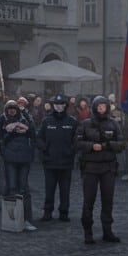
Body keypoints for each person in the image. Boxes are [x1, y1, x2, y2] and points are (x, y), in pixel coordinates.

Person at [76, 95, 125, 244]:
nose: (101, 109)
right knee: (88, 201)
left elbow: (122, 143)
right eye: (99, 107)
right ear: (95, 108)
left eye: (104, 106)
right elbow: (77, 142)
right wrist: (91, 146)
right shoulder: (85, 124)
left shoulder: (114, 124)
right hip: (90, 168)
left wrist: (106, 146)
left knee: (107, 200)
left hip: (108, 168)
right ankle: (88, 232)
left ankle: (107, 231)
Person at [0, 99, 38, 231]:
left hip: (24, 158)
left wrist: (25, 128)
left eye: (14, 108)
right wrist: (7, 137)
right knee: (12, 187)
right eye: (9, 108)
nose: (12, 111)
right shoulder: (2, 119)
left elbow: (33, 134)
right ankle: (12, 220)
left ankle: (27, 219)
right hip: (10, 158)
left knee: (23, 188)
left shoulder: (26, 118)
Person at [36, 94, 78, 223]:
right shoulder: (46, 121)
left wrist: (71, 151)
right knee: (49, 189)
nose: (59, 107)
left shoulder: (72, 121)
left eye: (61, 104)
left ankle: (64, 213)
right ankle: (47, 212)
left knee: (65, 190)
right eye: (56, 105)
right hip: (50, 162)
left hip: (66, 162)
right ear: (53, 106)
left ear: (65, 106)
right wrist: (45, 150)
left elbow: (76, 140)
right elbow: (39, 138)